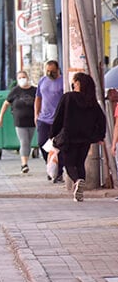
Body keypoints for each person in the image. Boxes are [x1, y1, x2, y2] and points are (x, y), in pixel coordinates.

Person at [51, 72, 106, 202]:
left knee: (68, 163)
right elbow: (101, 119)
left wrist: (52, 134)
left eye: (75, 81)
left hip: (69, 137)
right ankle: (79, 188)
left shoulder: (68, 97)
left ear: (78, 83)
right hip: (85, 138)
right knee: (80, 163)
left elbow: (58, 117)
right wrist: (99, 136)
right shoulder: (91, 101)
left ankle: (77, 181)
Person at [0, 70, 37, 174]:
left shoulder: (34, 90)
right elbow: (6, 104)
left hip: (32, 121)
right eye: (20, 78)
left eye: (24, 77)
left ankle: (25, 160)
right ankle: (24, 164)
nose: (22, 79)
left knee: (29, 142)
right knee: (24, 142)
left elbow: (40, 102)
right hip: (20, 122)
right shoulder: (15, 91)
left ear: (27, 78)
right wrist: (0, 117)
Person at [35, 60, 65, 183]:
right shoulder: (42, 81)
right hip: (43, 119)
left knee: (60, 146)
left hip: (59, 120)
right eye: (47, 71)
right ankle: (50, 165)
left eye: (52, 71)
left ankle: (58, 171)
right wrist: (36, 114)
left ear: (57, 70)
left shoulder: (63, 82)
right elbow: (38, 98)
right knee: (42, 143)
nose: (49, 73)